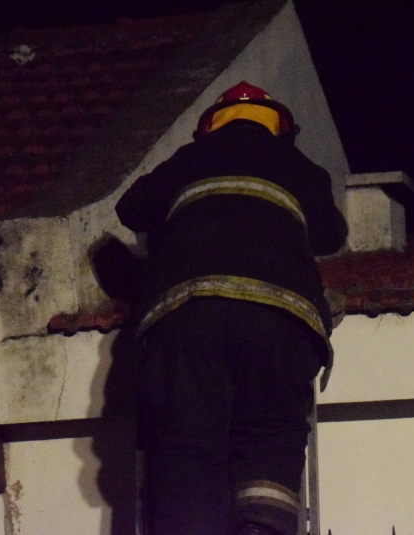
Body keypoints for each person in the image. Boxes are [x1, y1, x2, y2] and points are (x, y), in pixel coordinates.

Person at [115, 81, 348, 535]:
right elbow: (331, 235)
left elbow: (131, 208)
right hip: (279, 315)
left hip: (187, 315)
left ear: (210, 126)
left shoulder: (187, 159)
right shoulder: (301, 166)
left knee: (186, 442)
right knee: (271, 429)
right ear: (280, 128)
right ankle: (262, 527)